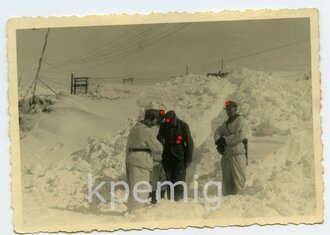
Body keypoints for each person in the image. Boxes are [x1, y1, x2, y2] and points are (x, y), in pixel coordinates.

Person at [125, 109, 163, 212]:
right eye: (156, 119)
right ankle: (135, 213)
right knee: (141, 189)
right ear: (151, 119)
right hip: (141, 162)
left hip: (130, 160)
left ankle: (131, 211)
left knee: (134, 189)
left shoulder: (135, 128)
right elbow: (159, 148)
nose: (156, 123)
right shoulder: (146, 131)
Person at [157, 110, 194, 201]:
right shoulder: (163, 125)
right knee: (169, 182)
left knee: (178, 182)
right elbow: (159, 140)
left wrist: (188, 159)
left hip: (179, 158)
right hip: (167, 158)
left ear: (175, 119)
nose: (169, 125)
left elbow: (189, 143)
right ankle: (171, 202)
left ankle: (178, 203)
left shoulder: (183, 125)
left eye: (171, 122)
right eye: (167, 122)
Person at [214, 101, 248, 196]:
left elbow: (240, 136)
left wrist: (224, 141)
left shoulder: (241, 121)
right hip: (227, 155)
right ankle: (228, 202)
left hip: (237, 155)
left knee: (239, 179)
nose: (228, 112)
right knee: (227, 180)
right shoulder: (225, 124)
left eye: (230, 109)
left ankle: (239, 202)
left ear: (235, 109)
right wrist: (218, 141)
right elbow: (218, 131)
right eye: (227, 110)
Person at [149, 109, 167, 204]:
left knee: (163, 177)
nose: (161, 119)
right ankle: (152, 197)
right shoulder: (151, 129)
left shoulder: (165, 128)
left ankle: (162, 196)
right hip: (154, 157)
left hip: (164, 157)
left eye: (162, 117)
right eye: (160, 117)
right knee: (153, 178)